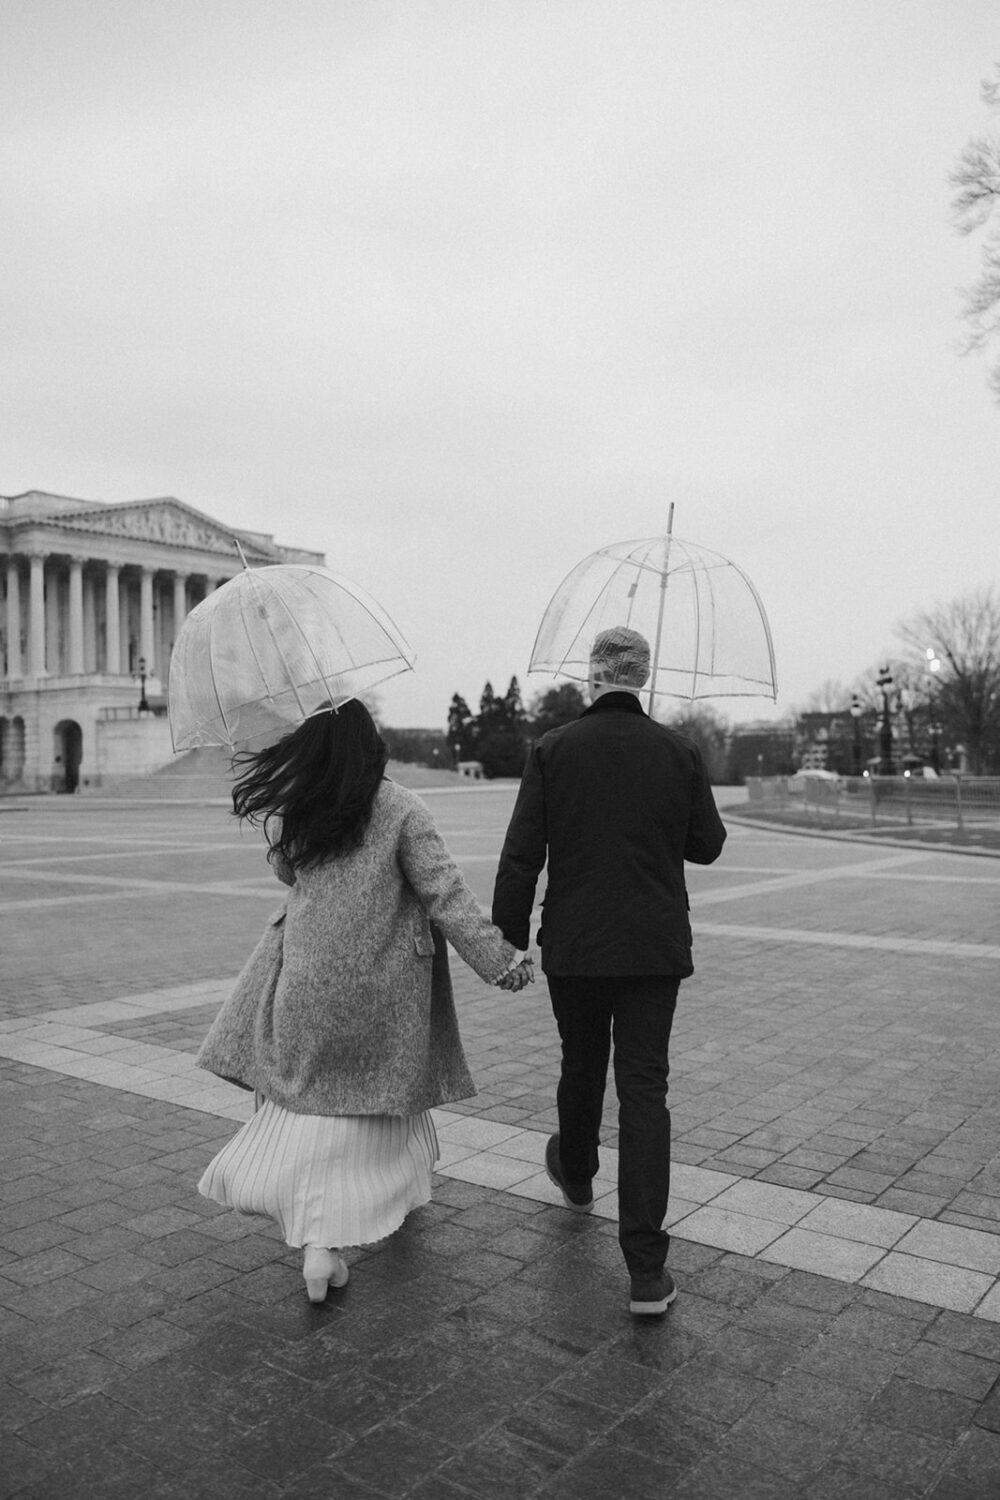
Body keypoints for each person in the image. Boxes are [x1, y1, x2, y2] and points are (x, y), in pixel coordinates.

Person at [196, 700, 532, 1303]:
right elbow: (445, 895)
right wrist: (500, 962)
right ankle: (325, 1243)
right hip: (383, 991)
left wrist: (287, 822)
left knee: (315, 1110)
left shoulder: (304, 808)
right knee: (369, 1108)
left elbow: (287, 874)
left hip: (305, 981)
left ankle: (338, 1230)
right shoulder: (403, 806)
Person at [491, 626, 726, 1316]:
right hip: (652, 946)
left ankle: (579, 1169)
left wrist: (508, 941)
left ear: (591, 678)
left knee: (582, 1062)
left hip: (577, 942)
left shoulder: (554, 750)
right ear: (643, 678)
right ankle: (647, 1272)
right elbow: (707, 846)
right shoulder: (678, 751)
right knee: (645, 1089)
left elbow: (520, 855)